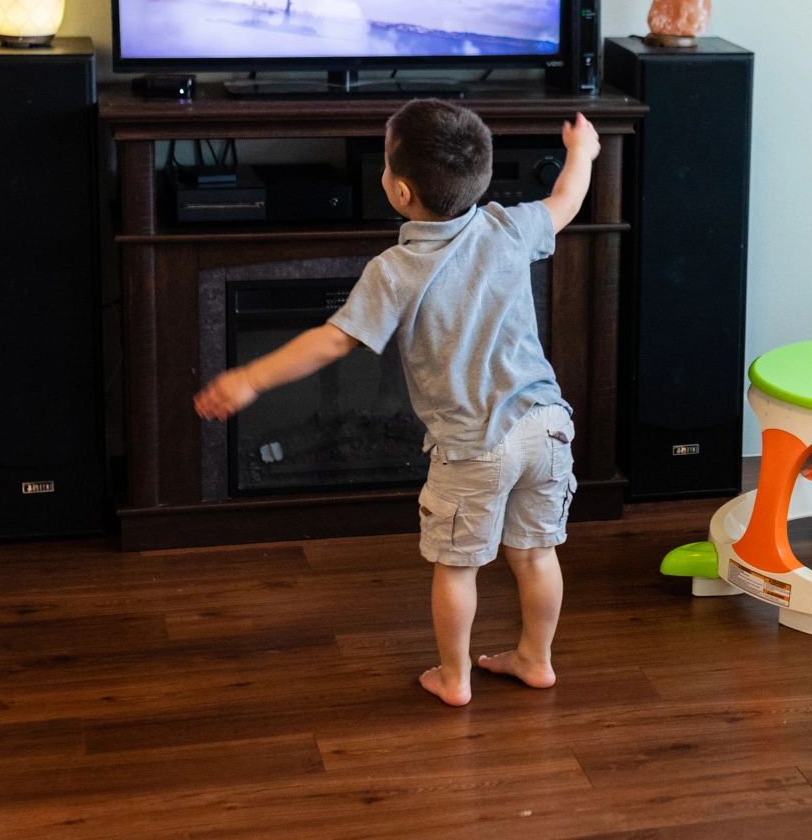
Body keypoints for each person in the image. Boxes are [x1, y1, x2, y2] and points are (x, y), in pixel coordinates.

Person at [194, 99, 600, 707]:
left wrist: (251, 378)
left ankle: (454, 676)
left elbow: (331, 341)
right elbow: (567, 199)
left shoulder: (395, 270)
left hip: (473, 445)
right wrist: (582, 152)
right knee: (536, 553)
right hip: (547, 426)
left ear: (401, 191)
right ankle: (535, 660)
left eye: (385, 163)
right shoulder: (509, 226)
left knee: (457, 567)